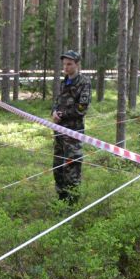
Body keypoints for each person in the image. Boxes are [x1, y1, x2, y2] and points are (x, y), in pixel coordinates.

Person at [52, 50, 91, 202]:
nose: (66, 67)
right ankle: (61, 201)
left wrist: (62, 114)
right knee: (58, 168)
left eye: (69, 64)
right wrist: (54, 112)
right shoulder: (64, 82)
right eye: (64, 64)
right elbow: (57, 101)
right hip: (59, 132)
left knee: (72, 169)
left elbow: (82, 108)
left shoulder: (84, 82)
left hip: (73, 133)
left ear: (77, 64)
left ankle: (72, 204)